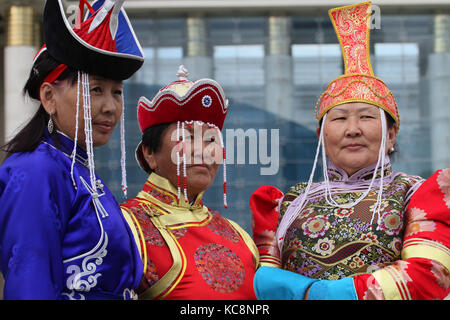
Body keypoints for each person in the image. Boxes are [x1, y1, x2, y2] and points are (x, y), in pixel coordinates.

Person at [251, 1, 449, 300]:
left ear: (392, 133)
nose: (352, 129)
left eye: (367, 117)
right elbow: (263, 283)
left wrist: (327, 294)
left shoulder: (415, 194)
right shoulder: (289, 202)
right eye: (340, 118)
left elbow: (428, 274)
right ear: (321, 136)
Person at [0, 0, 145, 299]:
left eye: (116, 92)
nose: (110, 107)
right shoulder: (35, 170)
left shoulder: (79, 171)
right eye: (95, 89)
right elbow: (30, 282)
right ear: (49, 97)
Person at [120, 65, 259, 299]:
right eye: (187, 137)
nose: (203, 151)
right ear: (149, 153)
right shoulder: (126, 226)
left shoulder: (239, 235)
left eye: (211, 139)